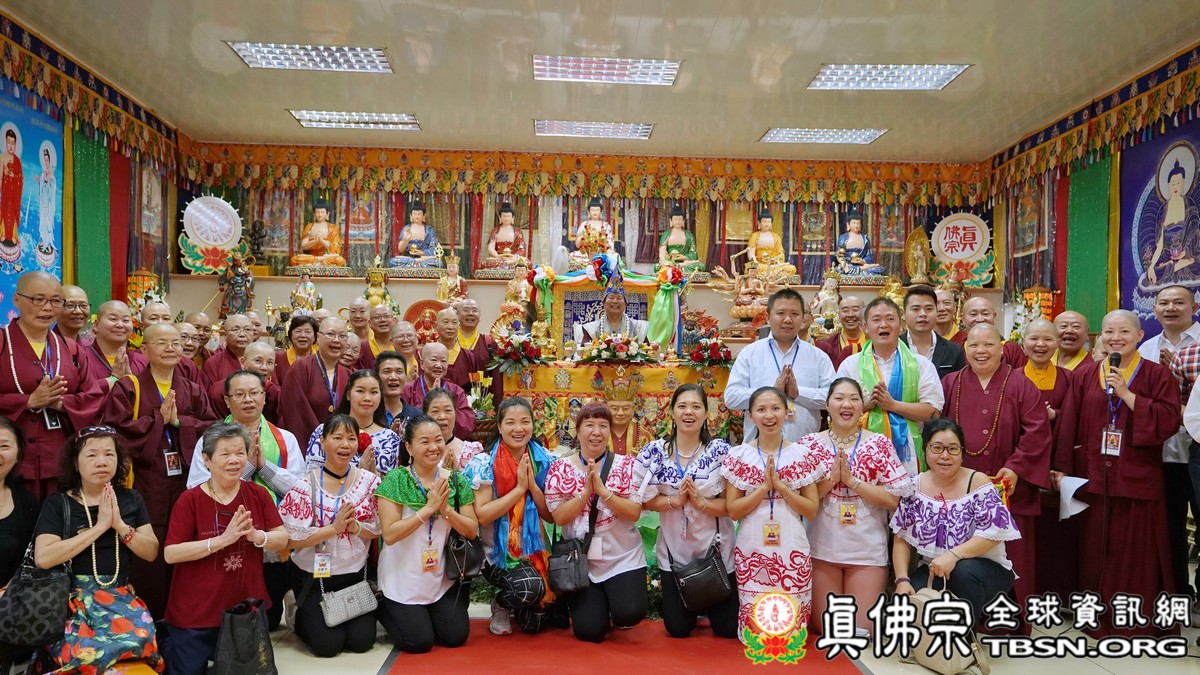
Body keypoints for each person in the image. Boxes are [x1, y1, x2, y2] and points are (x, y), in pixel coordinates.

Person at [1056, 310, 1181, 638]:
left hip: (1138, 477)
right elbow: (1068, 421)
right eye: (1109, 332)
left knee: (1136, 553)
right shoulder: (1086, 375)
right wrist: (1063, 469)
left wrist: (1127, 394)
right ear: (1101, 337)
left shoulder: (1157, 375)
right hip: (1094, 476)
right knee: (1095, 550)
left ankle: (1135, 621)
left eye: (1124, 332)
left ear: (1139, 336)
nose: (1116, 338)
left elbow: (1169, 419)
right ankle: (1096, 616)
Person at [103, 322, 217, 618]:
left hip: (184, 480)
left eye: (176, 343)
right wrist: (157, 420)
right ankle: (146, 616)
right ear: (144, 349)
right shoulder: (129, 387)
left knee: (185, 537)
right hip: (146, 479)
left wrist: (180, 423)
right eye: (162, 343)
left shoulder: (192, 388)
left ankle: (182, 615)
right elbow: (115, 431)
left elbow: (211, 427)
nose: (170, 348)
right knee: (147, 546)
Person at [940, 322, 1051, 622]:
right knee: (962, 552)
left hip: (1008, 488)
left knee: (1012, 555)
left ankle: (1008, 621)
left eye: (988, 344)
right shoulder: (951, 383)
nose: (981, 351)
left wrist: (1015, 468)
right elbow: (938, 433)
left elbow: (1037, 433)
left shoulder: (1021, 384)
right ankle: (966, 617)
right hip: (961, 488)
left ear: (1002, 349)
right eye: (974, 345)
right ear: (965, 349)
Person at [32, 426, 162, 673]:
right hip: (72, 602)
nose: (102, 461)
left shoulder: (131, 499)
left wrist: (119, 525)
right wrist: (100, 527)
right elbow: (44, 558)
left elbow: (151, 552)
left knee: (142, 642)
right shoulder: (58, 503)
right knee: (86, 655)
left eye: (109, 454)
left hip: (120, 598)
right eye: (92, 455)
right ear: (75, 463)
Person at [162, 423, 289, 675]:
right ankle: (168, 641)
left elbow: (282, 538)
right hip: (195, 613)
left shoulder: (257, 495)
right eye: (225, 454)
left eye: (240, 453)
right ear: (206, 460)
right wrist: (221, 540)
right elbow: (171, 553)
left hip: (244, 609)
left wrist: (258, 536)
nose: (234, 460)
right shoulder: (190, 500)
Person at [187, 370, 305, 630]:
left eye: (254, 393)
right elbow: (196, 488)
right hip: (224, 535)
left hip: (270, 537)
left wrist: (263, 467)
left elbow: (299, 490)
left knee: (267, 620)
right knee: (227, 612)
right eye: (239, 394)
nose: (248, 399)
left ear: (264, 397)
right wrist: (247, 466)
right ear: (227, 401)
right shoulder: (209, 440)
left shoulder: (285, 439)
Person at [631, 384, 738, 639]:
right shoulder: (655, 452)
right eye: (682, 406)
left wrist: (702, 503)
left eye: (696, 406)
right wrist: (674, 501)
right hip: (674, 555)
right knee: (677, 629)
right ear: (672, 412)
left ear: (706, 413)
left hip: (716, 552)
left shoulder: (721, 452)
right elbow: (642, 500)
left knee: (727, 629)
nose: (688, 412)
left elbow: (733, 507)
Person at [891, 418, 1019, 626]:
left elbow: (994, 534)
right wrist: (902, 580)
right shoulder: (915, 486)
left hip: (984, 570)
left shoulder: (977, 482)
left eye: (953, 449)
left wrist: (953, 555)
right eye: (937, 448)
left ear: (962, 453)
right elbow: (901, 539)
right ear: (925, 449)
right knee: (901, 612)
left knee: (962, 571)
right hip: (936, 569)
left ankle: (966, 637)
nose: (945, 456)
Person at [808, 378, 910, 636]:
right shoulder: (809, 445)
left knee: (861, 630)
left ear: (863, 406)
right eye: (839, 398)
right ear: (827, 405)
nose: (847, 404)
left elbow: (894, 499)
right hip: (822, 551)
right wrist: (832, 480)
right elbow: (801, 502)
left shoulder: (879, 444)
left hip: (867, 553)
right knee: (827, 629)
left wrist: (853, 481)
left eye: (854, 399)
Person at [723, 386, 824, 640]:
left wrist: (782, 488)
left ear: (787, 412)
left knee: (789, 637)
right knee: (758, 637)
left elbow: (811, 509)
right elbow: (733, 510)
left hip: (791, 546)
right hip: (752, 548)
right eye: (761, 409)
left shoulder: (802, 455)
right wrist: (763, 488)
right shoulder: (739, 455)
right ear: (750, 416)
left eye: (775, 408)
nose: (769, 415)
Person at [278, 415, 381, 657]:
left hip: (355, 577)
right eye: (337, 438)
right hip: (315, 579)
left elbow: (380, 528)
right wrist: (333, 529)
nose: (345, 445)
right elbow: (289, 540)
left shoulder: (369, 482)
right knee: (328, 646)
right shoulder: (306, 485)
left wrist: (356, 528)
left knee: (362, 642)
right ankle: (296, 610)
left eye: (351, 438)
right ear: (323, 442)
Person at [546, 402, 647, 643]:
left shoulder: (627, 465)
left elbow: (634, 512)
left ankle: (617, 605)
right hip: (581, 564)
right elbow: (559, 517)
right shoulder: (560, 468)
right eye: (589, 425)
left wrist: (604, 493)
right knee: (589, 631)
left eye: (603, 426)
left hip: (622, 558)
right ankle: (598, 605)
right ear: (578, 430)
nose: (596, 432)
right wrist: (585, 493)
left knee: (629, 612)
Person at [376, 414, 477, 652]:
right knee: (419, 642)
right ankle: (383, 606)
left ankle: (427, 612)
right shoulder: (396, 479)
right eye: (425, 441)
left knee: (455, 637)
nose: (434, 447)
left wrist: (446, 510)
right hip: (401, 580)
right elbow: (389, 534)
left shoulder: (456, 480)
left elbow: (471, 530)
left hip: (440, 579)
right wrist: (428, 509)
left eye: (438, 440)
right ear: (409, 447)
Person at [0, 272, 106, 499]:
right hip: (8, 463)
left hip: (57, 461)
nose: (47, 308)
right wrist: (27, 401)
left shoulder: (71, 349)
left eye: (56, 301)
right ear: (17, 300)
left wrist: (61, 403)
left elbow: (93, 398)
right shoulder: (2, 342)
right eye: (38, 299)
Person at [464, 397, 555, 635]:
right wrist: (518, 490)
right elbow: (483, 516)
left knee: (535, 624)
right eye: (510, 422)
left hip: (536, 551)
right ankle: (501, 603)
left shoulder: (544, 460)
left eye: (525, 421)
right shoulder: (484, 463)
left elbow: (551, 517)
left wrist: (533, 487)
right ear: (499, 426)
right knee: (529, 589)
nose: (518, 429)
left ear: (533, 424)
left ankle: (522, 602)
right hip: (498, 554)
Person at [1138, 285, 1200, 597]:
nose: (1171, 308)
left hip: (1197, 449)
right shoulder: (1146, 349)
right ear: (1155, 309)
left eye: (1179, 302)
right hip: (1164, 454)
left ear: (1194, 307)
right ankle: (1179, 592)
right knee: (1170, 527)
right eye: (1163, 303)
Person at [836, 298, 943, 475]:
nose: (883, 324)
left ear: (901, 326)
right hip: (859, 450)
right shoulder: (850, 365)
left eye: (890, 319)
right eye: (876, 319)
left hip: (908, 453)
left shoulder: (920, 364)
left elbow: (934, 411)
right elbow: (836, 409)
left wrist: (893, 405)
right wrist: (865, 405)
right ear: (865, 327)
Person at [726, 289, 835, 443]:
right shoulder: (750, 354)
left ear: (803, 318)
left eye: (795, 314)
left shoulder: (818, 357)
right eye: (781, 313)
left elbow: (833, 398)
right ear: (767, 317)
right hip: (758, 449)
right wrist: (770, 392)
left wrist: (798, 393)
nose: (788, 319)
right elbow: (731, 397)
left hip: (804, 448)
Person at [1022, 319, 1079, 599]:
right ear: (1023, 343)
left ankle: (1055, 593)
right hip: (1021, 467)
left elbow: (1078, 419)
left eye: (1047, 339)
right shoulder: (1012, 377)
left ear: (1057, 343)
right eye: (1034, 339)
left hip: (1055, 464)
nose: (1040, 345)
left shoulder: (1069, 379)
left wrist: (1056, 415)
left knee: (1056, 533)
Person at [0, 418, 41, 672]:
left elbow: (31, 564)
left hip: (7, 612)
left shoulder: (27, 503)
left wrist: (8, 591)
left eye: (4, 446)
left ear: (18, 455)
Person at [306, 370, 400, 476]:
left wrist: (374, 477)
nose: (367, 398)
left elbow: (393, 483)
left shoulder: (391, 439)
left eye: (374, 392)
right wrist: (357, 475)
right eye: (360, 391)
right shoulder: (325, 431)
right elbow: (312, 476)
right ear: (348, 395)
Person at [281, 317, 353, 448]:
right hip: (308, 446)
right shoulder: (300, 369)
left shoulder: (348, 374)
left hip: (341, 447)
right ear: (318, 338)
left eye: (342, 336)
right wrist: (321, 442)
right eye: (330, 334)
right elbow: (296, 414)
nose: (336, 340)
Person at [402, 342, 475, 437]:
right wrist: (430, 401)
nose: (439, 365)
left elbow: (468, 424)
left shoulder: (456, 391)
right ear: (422, 363)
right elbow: (403, 422)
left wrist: (447, 407)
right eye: (434, 360)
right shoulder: (408, 390)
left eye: (443, 361)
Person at [901, 285, 966, 378]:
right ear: (904, 314)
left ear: (936, 311)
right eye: (915, 309)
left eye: (929, 309)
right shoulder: (893, 348)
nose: (923, 314)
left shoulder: (954, 351)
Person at [80, 300, 147, 387]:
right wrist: (112, 381)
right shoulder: (81, 356)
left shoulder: (143, 362)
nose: (120, 325)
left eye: (126, 320)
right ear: (96, 325)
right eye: (113, 319)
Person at [951, 297, 1027, 367]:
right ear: (963, 319)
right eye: (973, 314)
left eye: (985, 314)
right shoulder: (955, 350)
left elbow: (1020, 376)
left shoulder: (1011, 350)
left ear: (994, 317)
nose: (980, 319)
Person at [199, 313, 255, 402]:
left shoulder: (263, 360)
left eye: (247, 329)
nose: (242, 334)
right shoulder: (213, 362)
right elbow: (210, 397)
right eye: (235, 330)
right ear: (225, 335)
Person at [424, 387, 482, 469]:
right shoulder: (420, 452)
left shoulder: (472, 451)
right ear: (425, 416)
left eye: (448, 410)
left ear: (455, 413)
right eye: (435, 411)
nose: (442, 417)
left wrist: (456, 475)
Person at [576, 287, 649, 345]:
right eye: (611, 297)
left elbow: (648, 352)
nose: (615, 301)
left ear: (625, 305)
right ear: (603, 303)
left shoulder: (639, 327)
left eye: (619, 298)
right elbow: (585, 352)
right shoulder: (591, 328)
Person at [432, 308, 477, 390]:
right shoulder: (426, 354)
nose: (450, 327)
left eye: (455, 322)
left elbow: (476, 385)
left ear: (459, 326)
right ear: (435, 325)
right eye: (445, 322)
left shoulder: (470, 357)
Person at [290, 201, 346, 267]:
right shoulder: (309, 227)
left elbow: (336, 248)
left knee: (340, 260)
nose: (320, 215)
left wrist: (322, 241)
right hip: (312, 257)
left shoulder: (332, 228)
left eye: (322, 212)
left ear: (327, 214)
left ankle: (318, 261)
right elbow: (303, 246)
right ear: (314, 214)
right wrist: (315, 241)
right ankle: (319, 260)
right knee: (294, 259)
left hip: (327, 257)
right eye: (317, 212)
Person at [817, 295, 866, 368]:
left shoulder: (875, 343)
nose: (850, 315)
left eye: (855, 310)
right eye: (845, 310)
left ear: (865, 313)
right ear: (838, 315)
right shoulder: (827, 346)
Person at [604, 372, 647, 456]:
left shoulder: (644, 435)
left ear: (633, 409)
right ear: (606, 409)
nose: (620, 413)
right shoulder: (598, 434)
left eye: (626, 408)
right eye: (614, 409)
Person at [391, 201, 444, 268]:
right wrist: (405, 240)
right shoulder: (406, 229)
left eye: (419, 214)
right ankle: (416, 262)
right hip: (409, 258)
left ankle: (414, 263)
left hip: (424, 259)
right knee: (392, 261)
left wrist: (422, 253)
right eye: (414, 214)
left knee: (438, 263)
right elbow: (400, 250)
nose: (417, 216)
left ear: (424, 216)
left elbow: (434, 249)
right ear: (411, 216)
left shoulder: (429, 230)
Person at [377, 351, 421, 429]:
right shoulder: (370, 415)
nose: (394, 377)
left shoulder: (417, 417)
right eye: (387, 372)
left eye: (399, 372)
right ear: (376, 377)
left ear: (406, 377)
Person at [745, 209, 796, 276]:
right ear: (759, 223)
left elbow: (781, 254)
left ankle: (771, 271)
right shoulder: (755, 236)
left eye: (769, 222)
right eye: (764, 222)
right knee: (755, 268)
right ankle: (770, 272)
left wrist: (775, 261)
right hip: (761, 265)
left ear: (771, 223)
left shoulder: (776, 237)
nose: (767, 224)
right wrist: (756, 263)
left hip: (774, 265)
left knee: (791, 268)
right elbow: (751, 255)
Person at [275, 315, 319, 386]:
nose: (303, 335)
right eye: (298, 331)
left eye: (308, 332)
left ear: (315, 337)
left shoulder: (320, 360)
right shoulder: (278, 358)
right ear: (291, 335)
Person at [482, 202, 528, 269]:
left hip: (513, 258)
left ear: (513, 218)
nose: (506, 218)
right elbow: (491, 247)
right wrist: (497, 256)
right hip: (499, 258)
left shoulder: (517, 232)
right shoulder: (496, 231)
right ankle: (507, 264)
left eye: (508, 216)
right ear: (500, 218)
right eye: (504, 216)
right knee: (484, 263)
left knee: (527, 262)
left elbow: (522, 248)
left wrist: (515, 257)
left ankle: (508, 263)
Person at [657, 205, 702, 272]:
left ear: (683, 221)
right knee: (657, 266)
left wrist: (684, 257)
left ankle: (678, 268)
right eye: (675, 219)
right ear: (671, 221)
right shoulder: (666, 234)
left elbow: (693, 253)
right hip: (670, 263)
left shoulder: (688, 235)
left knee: (700, 266)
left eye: (680, 219)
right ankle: (678, 268)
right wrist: (666, 261)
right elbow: (662, 254)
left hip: (685, 263)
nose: (677, 222)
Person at [361, 303, 397, 370]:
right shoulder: (363, 347)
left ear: (394, 320)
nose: (382, 320)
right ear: (369, 323)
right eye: (377, 317)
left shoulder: (402, 345)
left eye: (386, 316)